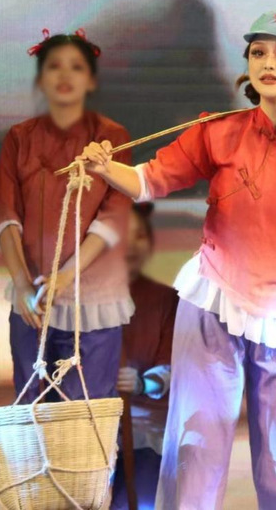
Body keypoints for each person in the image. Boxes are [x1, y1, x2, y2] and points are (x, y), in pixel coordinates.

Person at [79, 9, 276, 509]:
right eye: (259, 52)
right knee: (197, 443)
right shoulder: (218, 131)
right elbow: (150, 180)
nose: (269, 62)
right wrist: (108, 168)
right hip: (214, 299)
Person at [0, 29, 132, 402]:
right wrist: (23, 285)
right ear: (40, 78)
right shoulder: (19, 138)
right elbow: (5, 214)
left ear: (91, 79)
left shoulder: (113, 137)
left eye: (76, 67)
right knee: (30, 405)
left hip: (93, 296)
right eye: (54, 66)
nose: (65, 75)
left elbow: (113, 217)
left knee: (84, 410)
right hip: (33, 298)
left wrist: (65, 277)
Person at [111, 202, 177, 510]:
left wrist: (142, 384)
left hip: (146, 432)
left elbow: (172, 367)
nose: (131, 245)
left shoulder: (165, 300)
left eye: (138, 236)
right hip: (94, 434)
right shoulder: (82, 301)